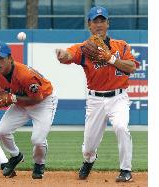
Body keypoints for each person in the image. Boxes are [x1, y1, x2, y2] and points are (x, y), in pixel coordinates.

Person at [55, 6, 139, 182]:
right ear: (89, 25)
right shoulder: (85, 48)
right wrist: (62, 54)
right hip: (95, 100)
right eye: (95, 21)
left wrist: (111, 58)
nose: (99, 24)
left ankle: (126, 170)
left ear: (108, 23)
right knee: (89, 146)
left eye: (102, 20)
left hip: (118, 98)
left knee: (121, 127)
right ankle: (89, 160)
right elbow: (68, 55)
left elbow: (131, 67)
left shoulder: (121, 46)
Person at [0, 42, 58, 179]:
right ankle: (16, 156)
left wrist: (12, 98)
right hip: (21, 102)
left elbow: (37, 99)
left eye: (1, 58)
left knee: (38, 140)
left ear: (10, 59)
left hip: (43, 102)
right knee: (2, 131)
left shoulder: (25, 75)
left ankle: (39, 164)